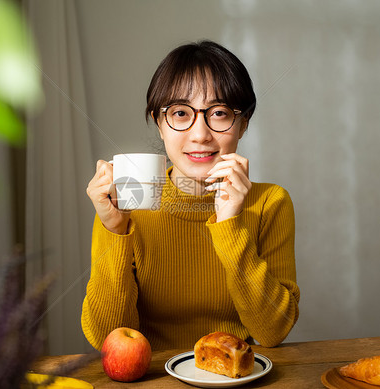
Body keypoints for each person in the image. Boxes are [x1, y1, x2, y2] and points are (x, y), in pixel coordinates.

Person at [82, 40, 300, 350]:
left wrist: (229, 224)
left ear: (243, 124)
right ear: (160, 124)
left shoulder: (270, 203)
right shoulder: (125, 203)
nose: (200, 134)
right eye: (181, 113)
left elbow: (273, 331)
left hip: (233, 373)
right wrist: (114, 231)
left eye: (219, 113)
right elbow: (107, 339)